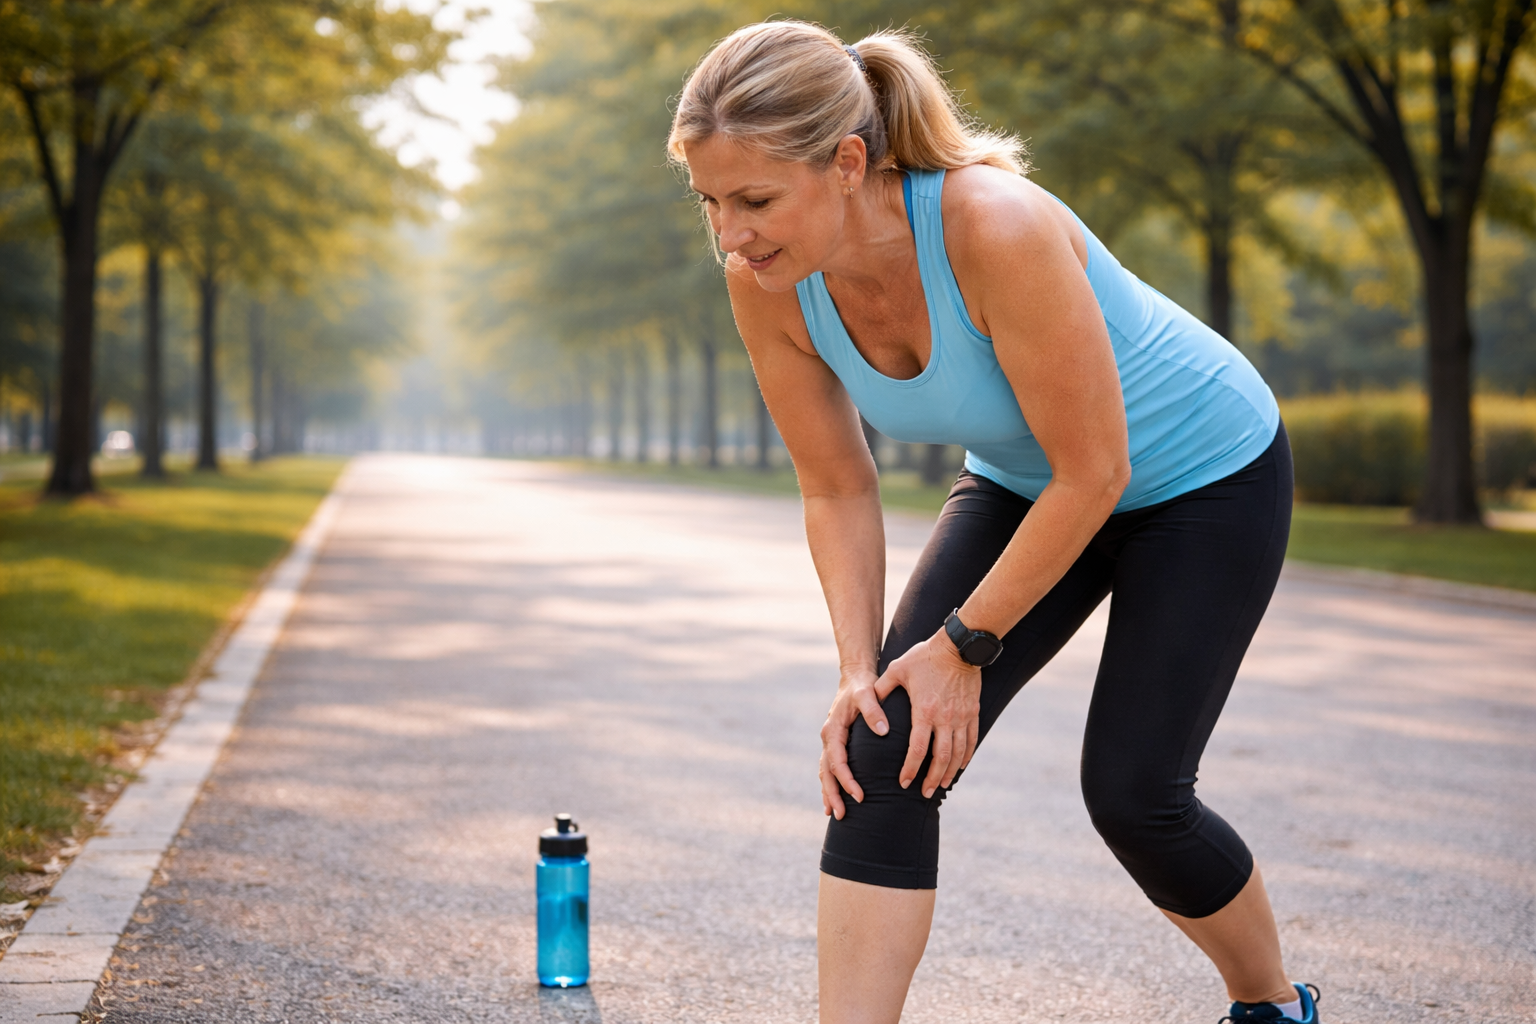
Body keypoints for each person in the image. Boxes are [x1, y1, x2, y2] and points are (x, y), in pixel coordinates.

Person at [668, 20, 1320, 1024]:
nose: (731, 236)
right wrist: (859, 671)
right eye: (711, 202)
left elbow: (1097, 468)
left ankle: (1272, 1003)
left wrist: (966, 644)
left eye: (754, 200)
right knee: (881, 749)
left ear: (848, 162)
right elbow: (838, 485)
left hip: (1204, 475)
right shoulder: (767, 284)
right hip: (1030, 479)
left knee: (1137, 796)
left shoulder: (991, 225)